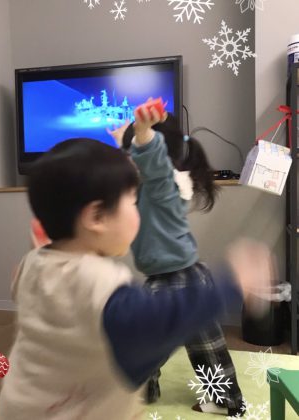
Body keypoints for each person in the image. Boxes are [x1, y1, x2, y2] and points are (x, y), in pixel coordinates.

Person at [0, 136, 273, 420]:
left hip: (16, 408)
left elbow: (25, 288)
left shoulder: (33, 263)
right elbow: (161, 321)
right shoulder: (99, 281)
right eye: (132, 201)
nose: (138, 212)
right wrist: (231, 285)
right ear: (96, 217)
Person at [108, 102, 245, 416]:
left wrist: (142, 132)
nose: (131, 158)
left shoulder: (163, 184)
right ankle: (145, 390)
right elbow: (137, 163)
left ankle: (226, 401)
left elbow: (151, 159)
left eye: (135, 150)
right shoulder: (153, 182)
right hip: (170, 275)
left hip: (180, 276)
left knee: (200, 346)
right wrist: (123, 140)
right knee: (158, 340)